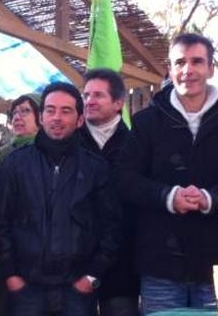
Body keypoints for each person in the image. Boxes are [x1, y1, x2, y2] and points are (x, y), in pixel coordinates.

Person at [117, 33, 218, 314]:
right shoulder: (146, 122)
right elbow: (125, 178)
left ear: (210, 68)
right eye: (180, 62)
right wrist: (168, 196)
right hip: (160, 266)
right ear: (171, 70)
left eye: (197, 61)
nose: (188, 70)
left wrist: (213, 198)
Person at [0, 82, 122, 316]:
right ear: (41, 117)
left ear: (80, 120)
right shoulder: (16, 164)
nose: (57, 118)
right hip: (26, 288)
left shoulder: (95, 167)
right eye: (50, 110)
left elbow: (111, 226)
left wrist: (93, 274)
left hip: (77, 289)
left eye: (66, 111)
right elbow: (1, 222)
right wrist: (11, 273)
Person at [79, 68, 138, 316]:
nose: (90, 101)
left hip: (124, 263)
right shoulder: (71, 143)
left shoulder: (137, 143)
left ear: (118, 103)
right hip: (76, 263)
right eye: (86, 95)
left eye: (98, 95)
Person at [0, 93, 41, 316]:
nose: (18, 117)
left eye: (26, 111)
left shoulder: (56, 153)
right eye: (15, 113)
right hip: (8, 252)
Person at [0, 93, 41, 182]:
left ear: (41, 116)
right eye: (14, 113)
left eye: (25, 111)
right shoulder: (4, 153)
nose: (16, 117)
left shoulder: (51, 152)